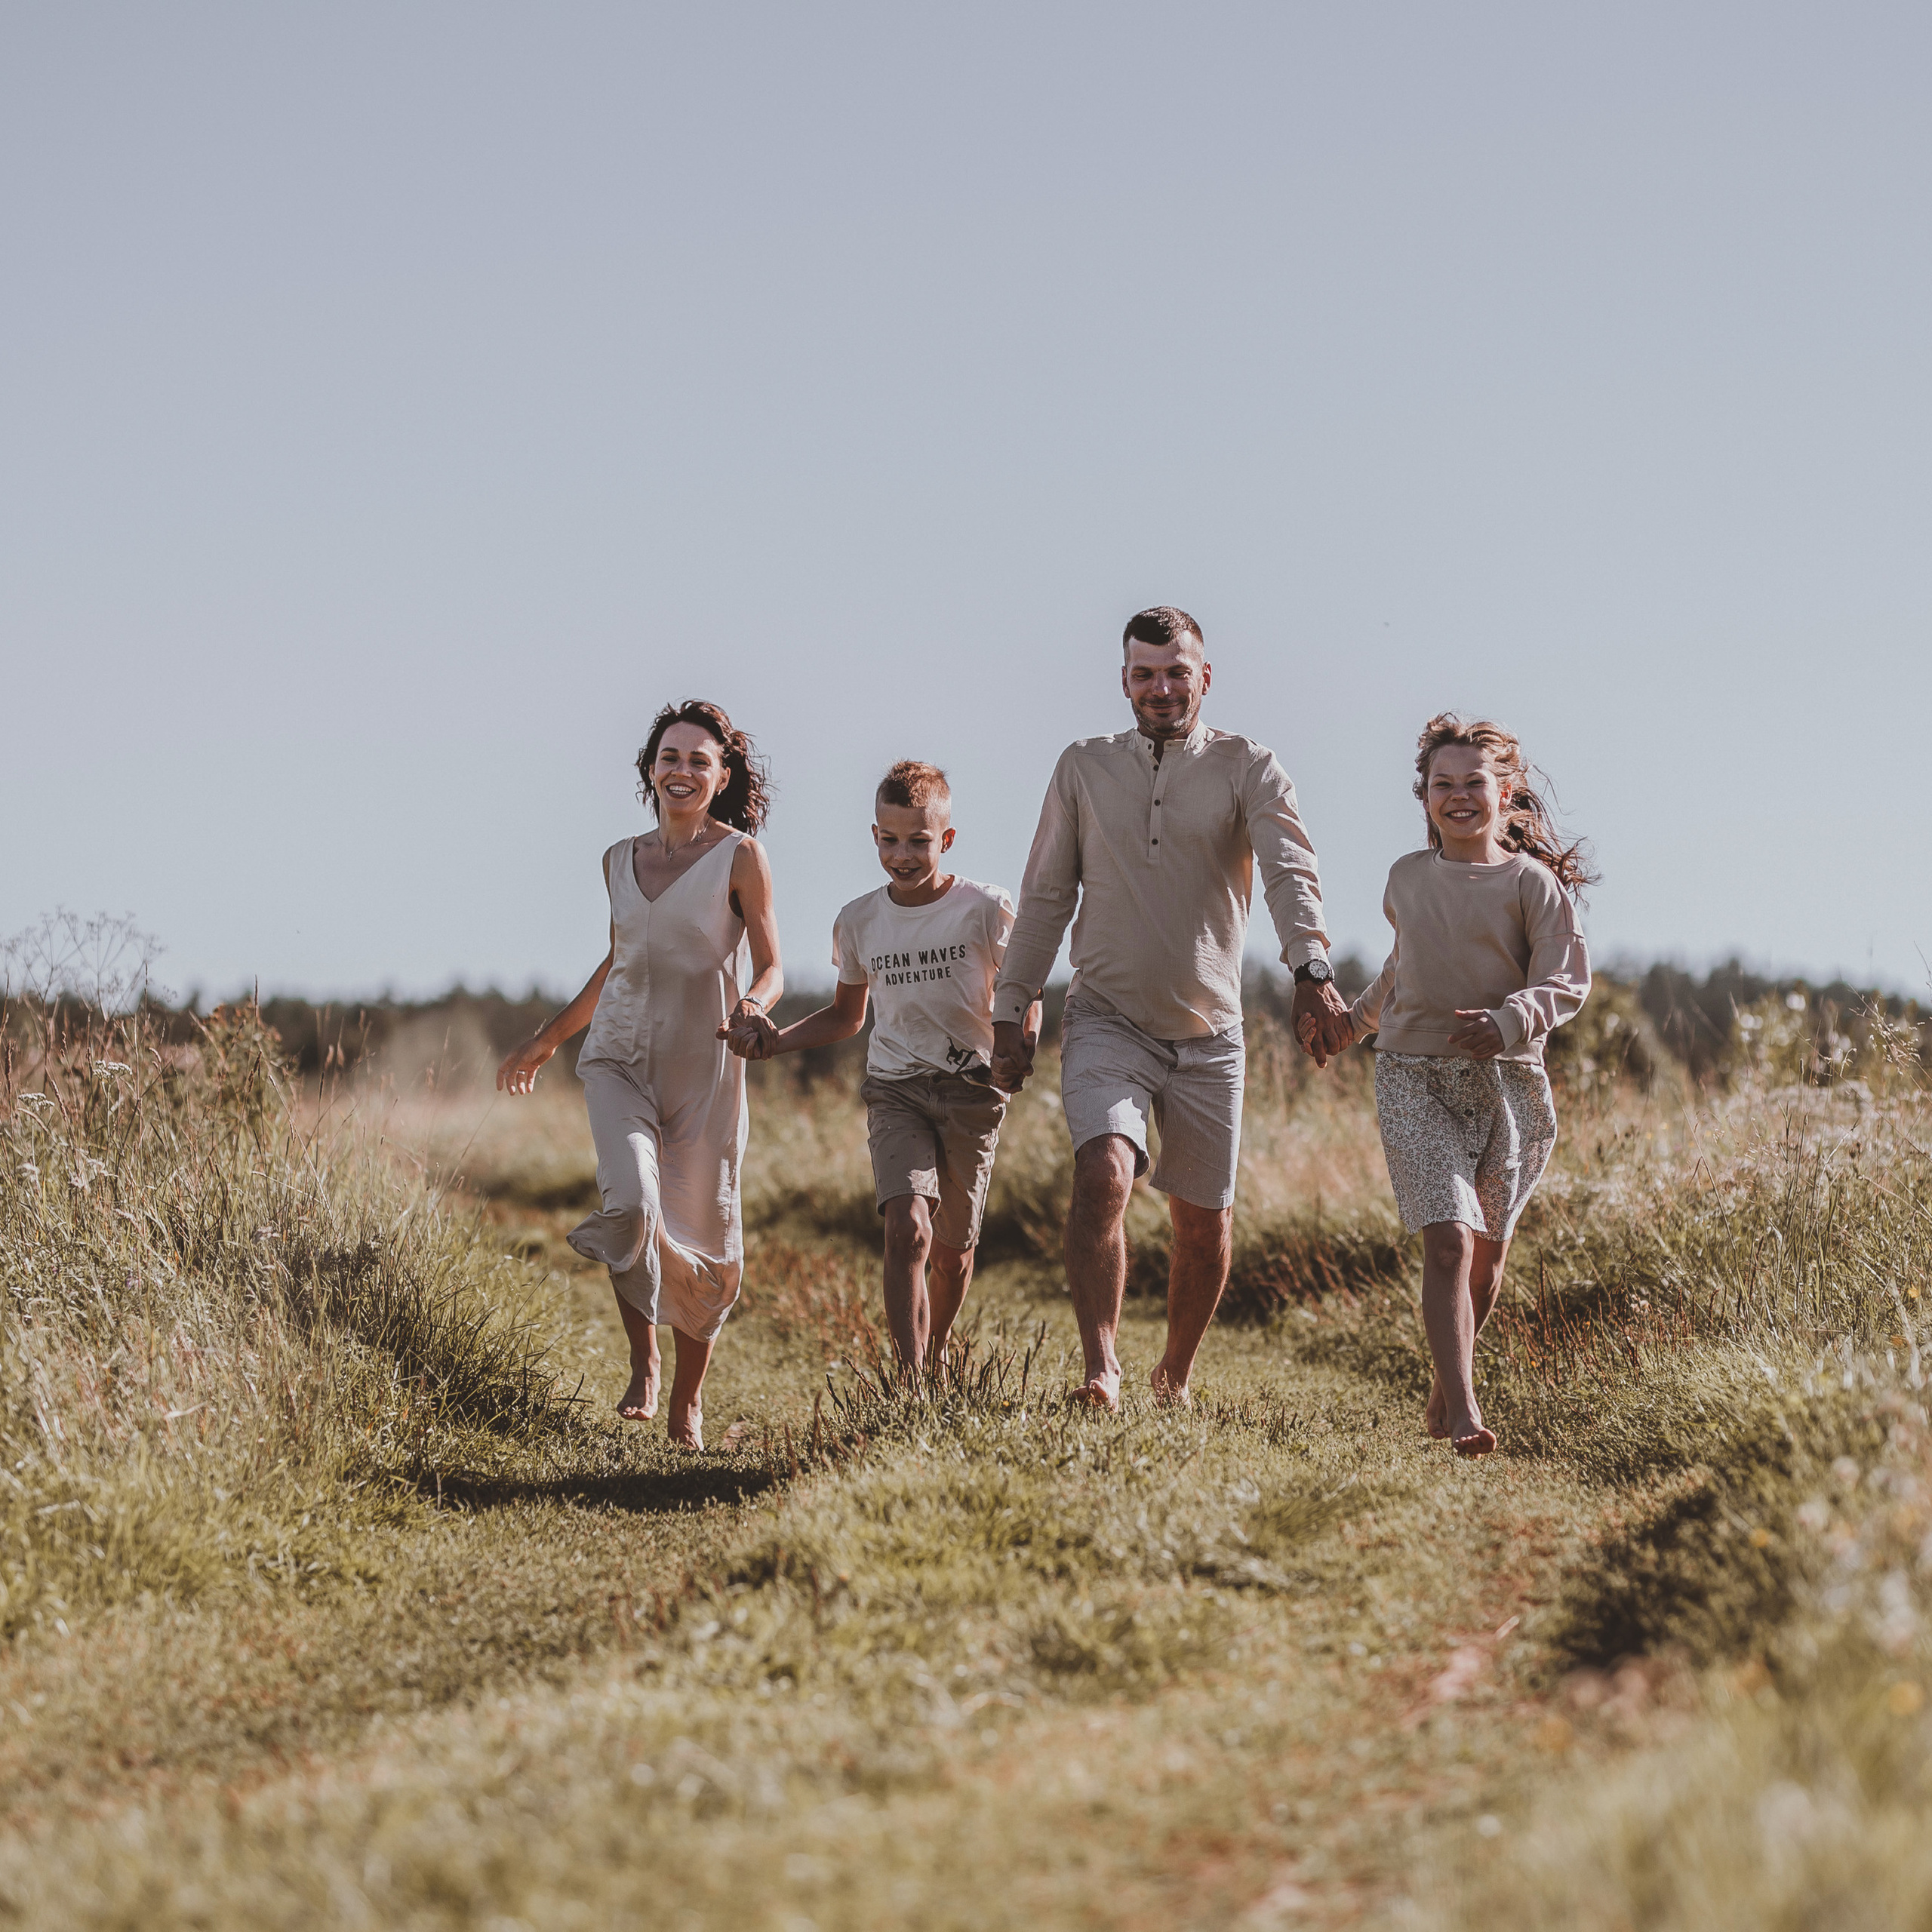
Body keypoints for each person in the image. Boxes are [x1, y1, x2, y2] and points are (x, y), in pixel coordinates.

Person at [990, 607, 1352, 1411]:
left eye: (1176, 671)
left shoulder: (1249, 766)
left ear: (1204, 677)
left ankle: (1174, 1376)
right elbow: (1047, 893)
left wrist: (1310, 968)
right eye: (1145, 674)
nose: (1161, 688)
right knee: (1102, 1170)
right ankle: (1101, 1368)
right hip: (1106, 1014)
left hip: (1209, 1033)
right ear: (1123, 680)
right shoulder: (1082, 768)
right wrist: (1010, 1004)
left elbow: (1291, 871)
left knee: (1203, 1224)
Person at [495, 700, 783, 1450]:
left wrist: (753, 1004)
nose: (681, 770)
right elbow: (618, 958)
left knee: (704, 1230)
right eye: (669, 756)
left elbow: (774, 962)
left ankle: (688, 1402)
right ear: (648, 769)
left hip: (704, 1069)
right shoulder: (618, 859)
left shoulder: (741, 857)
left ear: (720, 777)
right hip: (620, 1056)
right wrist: (547, 1039)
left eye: (698, 759)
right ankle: (644, 1361)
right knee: (631, 1205)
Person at [729, 761, 1040, 1377]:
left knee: (952, 1252)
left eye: (919, 842)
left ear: (945, 841)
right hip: (896, 1088)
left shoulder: (986, 908)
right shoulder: (858, 921)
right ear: (874, 837)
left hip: (972, 1092)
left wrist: (1019, 1046)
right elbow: (848, 1017)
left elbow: (1022, 990)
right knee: (907, 1231)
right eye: (890, 840)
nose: (903, 855)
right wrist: (776, 1042)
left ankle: (937, 1348)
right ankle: (909, 1382)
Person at [1341, 714, 1594, 1456]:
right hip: (1412, 1074)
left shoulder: (1533, 885)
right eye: (1441, 784)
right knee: (1447, 1239)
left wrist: (1512, 1018)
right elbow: (1400, 972)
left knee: (1485, 1253)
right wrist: (1349, 1026)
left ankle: (1443, 1387)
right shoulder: (1405, 878)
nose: (1457, 796)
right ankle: (1465, 1413)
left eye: (1473, 783)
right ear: (1423, 796)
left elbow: (1566, 980)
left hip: (1509, 1084)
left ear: (1505, 792)